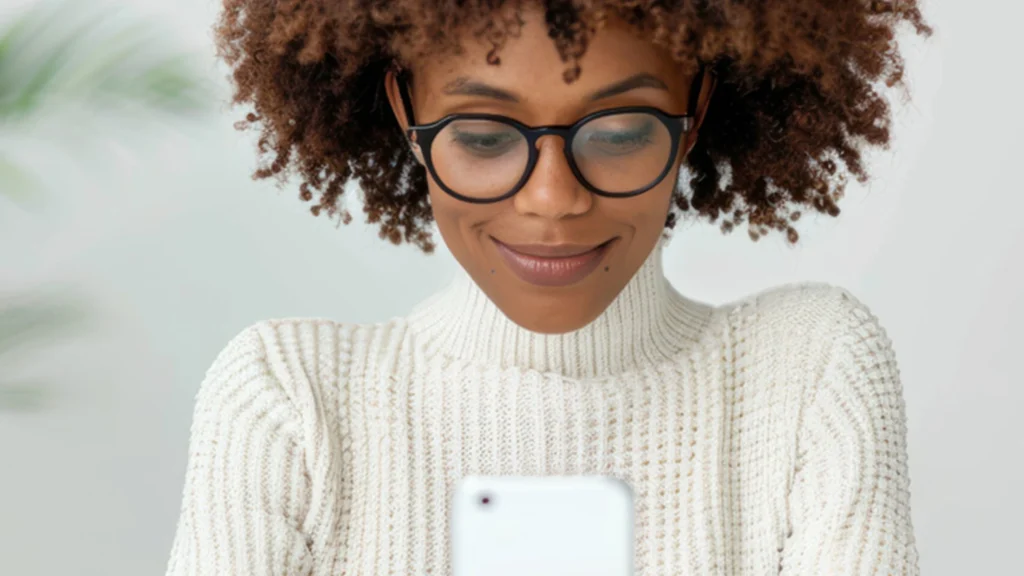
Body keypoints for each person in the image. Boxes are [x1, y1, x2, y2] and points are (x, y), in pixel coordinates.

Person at [166, 1, 931, 574]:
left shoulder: (809, 371)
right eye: (485, 137)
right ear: (406, 110)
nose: (552, 198)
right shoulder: (290, 397)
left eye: (621, 132)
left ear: (694, 111)